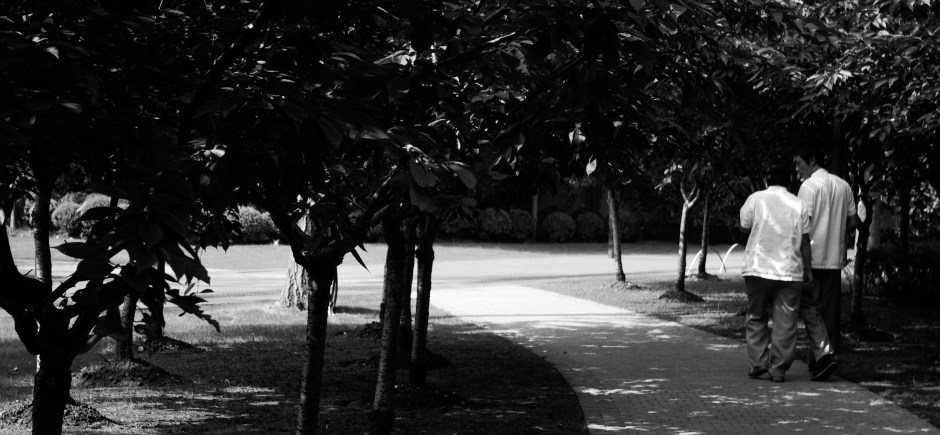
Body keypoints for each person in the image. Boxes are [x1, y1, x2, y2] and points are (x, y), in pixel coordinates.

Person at [739, 163, 812, 383]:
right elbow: (806, 242)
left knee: (756, 316)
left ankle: (759, 363)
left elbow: (744, 225)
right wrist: (808, 269)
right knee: (786, 321)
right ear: (790, 181)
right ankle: (778, 369)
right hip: (790, 272)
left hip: (757, 268)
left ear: (766, 181)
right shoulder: (799, 204)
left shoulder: (756, 198)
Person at [793, 147, 857, 376]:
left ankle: (820, 357)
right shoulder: (843, 185)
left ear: (812, 160)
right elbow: (852, 222)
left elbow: (802, 224)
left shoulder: (808, 187)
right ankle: (825, 357)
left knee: (810, 310)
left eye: (799, 163)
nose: (798, 169)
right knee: (829, 311)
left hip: (811, 258)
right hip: (833, 257)